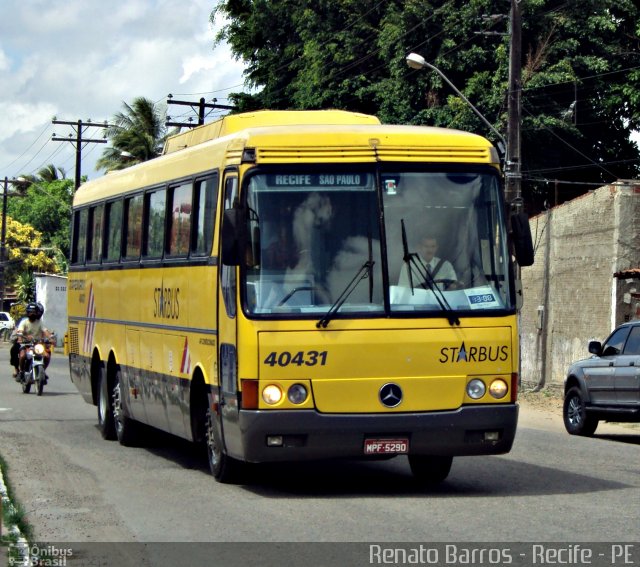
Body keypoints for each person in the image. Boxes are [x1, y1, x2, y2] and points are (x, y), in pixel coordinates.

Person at [11, 302, 53, 380]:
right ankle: (21, 372)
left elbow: (45, 330)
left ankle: (42, 371)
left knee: (47, 356)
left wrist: (50, 337)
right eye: (30, 312)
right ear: (27, 312)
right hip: (26, 344)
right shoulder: (24, 322)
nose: (32, 314)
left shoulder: (39, 322)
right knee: (22, 356)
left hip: (37, 345)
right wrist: (21, 338)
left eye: (34, 312)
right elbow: (20, 331)